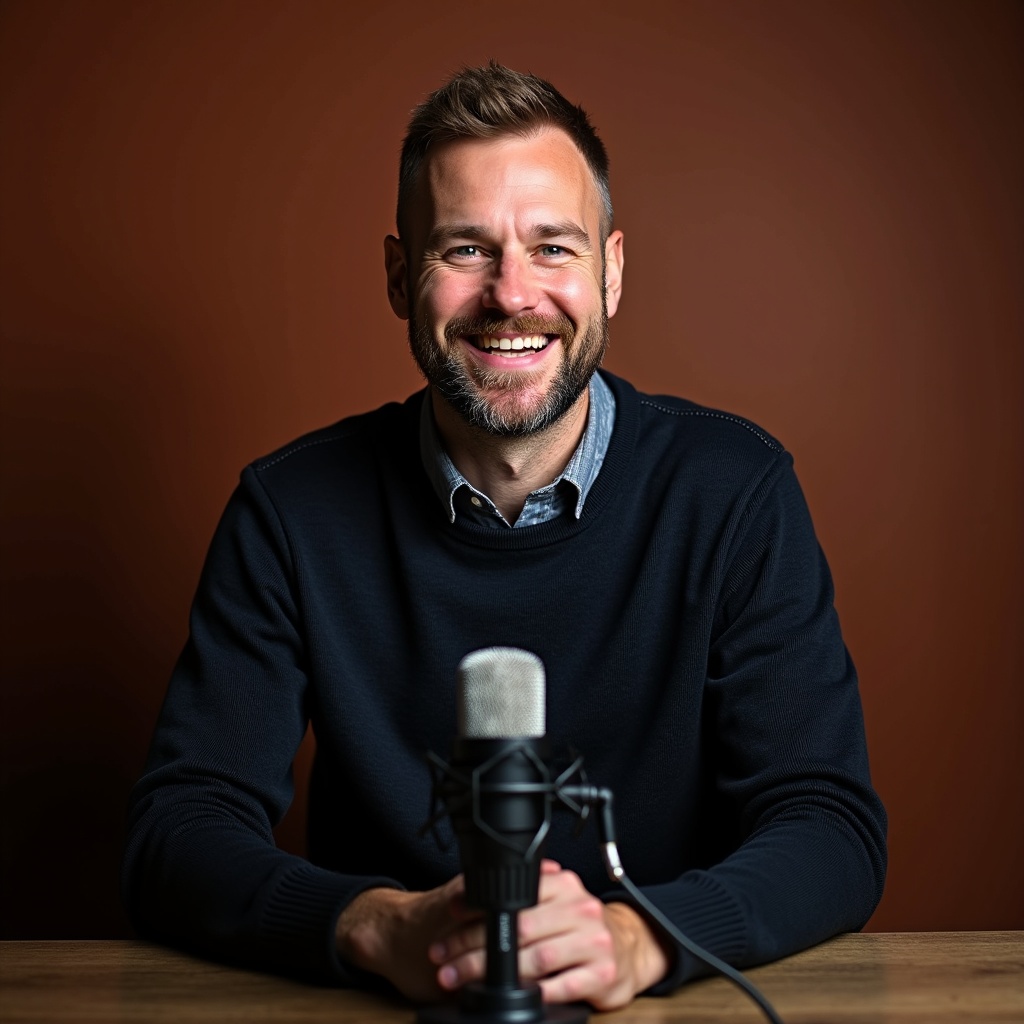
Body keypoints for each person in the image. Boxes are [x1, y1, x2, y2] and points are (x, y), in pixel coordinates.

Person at [122, 62, 887, 1012]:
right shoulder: (290, 512)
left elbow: (829, 828)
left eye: (553, 248)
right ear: (403, 278)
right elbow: (179, 832)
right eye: (466, 250)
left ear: (610, 270)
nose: (512, 294)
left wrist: (640, 940)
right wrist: (378, 925)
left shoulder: (734, 492)